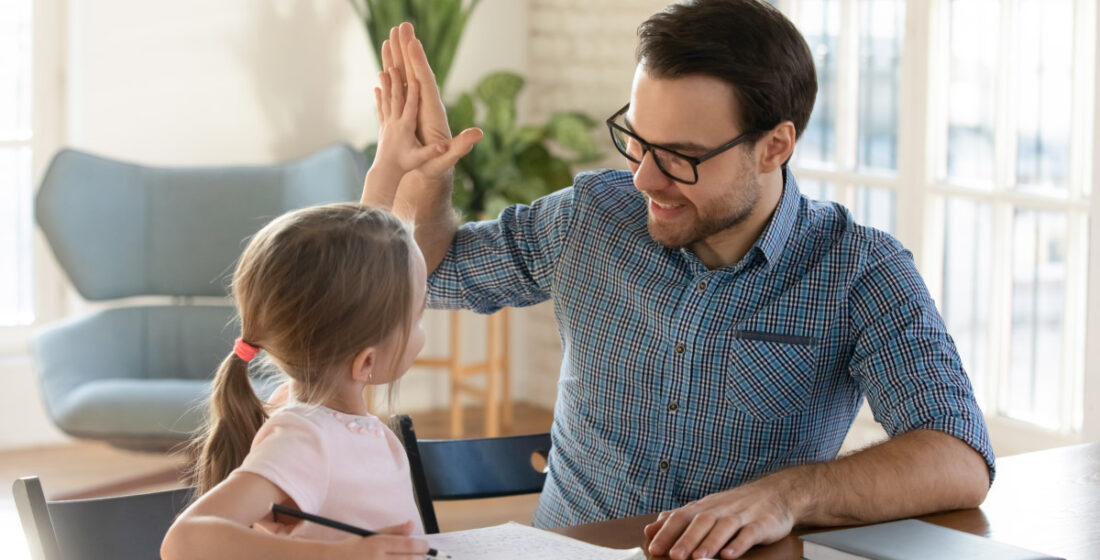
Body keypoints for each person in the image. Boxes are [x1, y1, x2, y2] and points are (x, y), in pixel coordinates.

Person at [372, 2, 994, 559]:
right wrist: (427, 182)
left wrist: (786, 496)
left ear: (774, 146)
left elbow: (958, 458)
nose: (645, 178)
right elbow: (432, 275)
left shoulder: (860, 271)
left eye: (680, 157)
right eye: (638, 142)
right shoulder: (590, 218)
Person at [161, 63, 480, 560]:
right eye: (417, 316)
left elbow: (357, 280)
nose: (421, 330)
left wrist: (388, 169)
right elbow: (187, 540)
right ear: (365, 362)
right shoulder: (304, 435)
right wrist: (346, 555)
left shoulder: (328, 411)